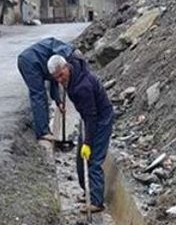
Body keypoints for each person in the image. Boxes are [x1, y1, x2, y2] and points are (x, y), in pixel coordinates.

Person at [47, 53, 114, 213]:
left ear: (65, 67)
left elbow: (92, 117)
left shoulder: (82, 87)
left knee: (93, 160)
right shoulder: (71, 71)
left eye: (61, 75)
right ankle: (88, 192)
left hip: (100, 119)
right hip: (88, 118)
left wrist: (88, 143)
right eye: (56, 78)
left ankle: (97, 202)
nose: (60, 80)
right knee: (80, 159)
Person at [17, 37, 77, 141]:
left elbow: (54, 79)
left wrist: (59, 102)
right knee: (39, 95)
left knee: (40, 94)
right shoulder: (62, 53)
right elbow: (57, 77)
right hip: (30, 63)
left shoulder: (60, 54)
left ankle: (43, 127)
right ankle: (42, 132)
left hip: (33, 61)